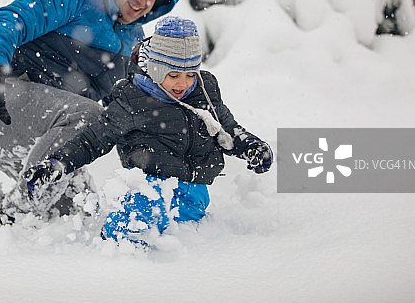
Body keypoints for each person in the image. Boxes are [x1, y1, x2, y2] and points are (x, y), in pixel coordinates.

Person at [0, 0, 182, 220]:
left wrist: (165, 157)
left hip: (48, 131)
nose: (143, 1)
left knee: (78, 210)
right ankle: (16, 217)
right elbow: (10, 20)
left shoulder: (132, 41)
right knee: (88, 117)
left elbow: (126, 110)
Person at [24, 16, 272, 245]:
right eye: (173, 75)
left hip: (193, 187)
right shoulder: (133, 99)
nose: (183, 84)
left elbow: (227, 130)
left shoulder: (204, 90)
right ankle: (117, 252)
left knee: (187, 236)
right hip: (149, 185)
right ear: (156, 69)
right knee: (138, 225)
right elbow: (93, 139)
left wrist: (251, 146)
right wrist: (57, 163)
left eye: (190, 74)